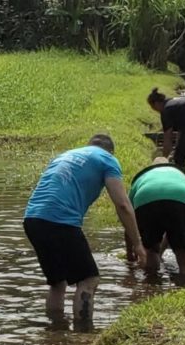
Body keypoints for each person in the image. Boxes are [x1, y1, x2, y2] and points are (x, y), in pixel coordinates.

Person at [22, 132, 145, 327]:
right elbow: (122, 204)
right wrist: (137, 243)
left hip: (32, 218)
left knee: (58, 282)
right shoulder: (108, 159)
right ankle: (84, 334)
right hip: (60, 220)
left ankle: (56, 331)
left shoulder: (66, 155)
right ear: (110, 150)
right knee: (89, 279)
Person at [128, 162, 185, 282]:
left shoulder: (141, 178)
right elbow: (177, 227)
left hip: (146, 197)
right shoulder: (181, 177)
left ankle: (150, 289)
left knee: (150, 251)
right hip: (182, 198)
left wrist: (130, 253)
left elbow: (128, 219)